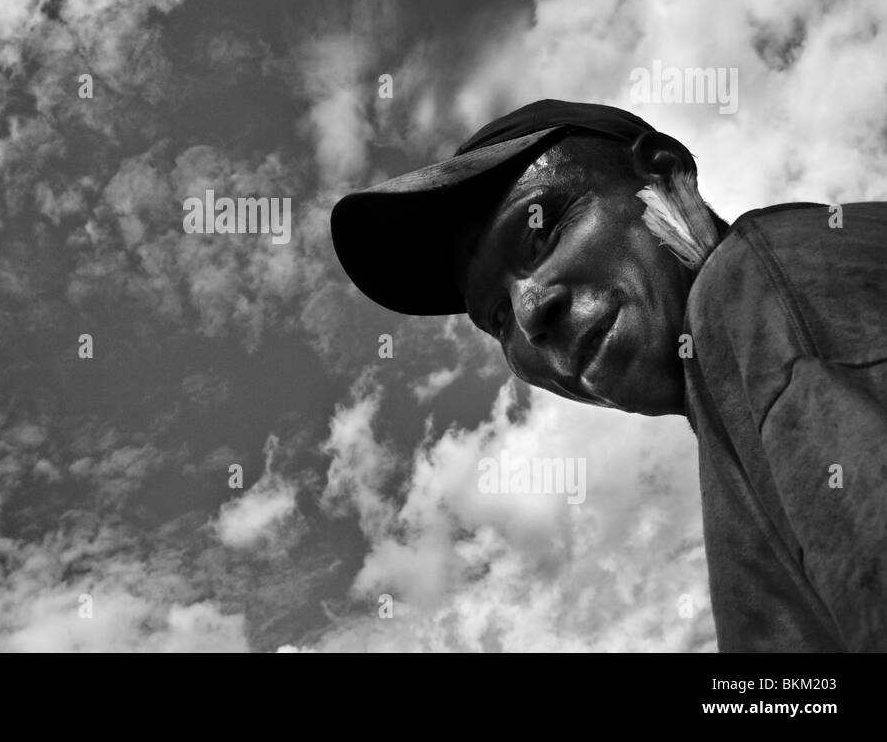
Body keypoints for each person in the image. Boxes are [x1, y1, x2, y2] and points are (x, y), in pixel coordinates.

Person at [330, 99, 887, 652]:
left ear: (664, 170)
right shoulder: (730, 403)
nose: (529, 313)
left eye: (541, 233)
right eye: (497, 318)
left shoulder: (756, 287)